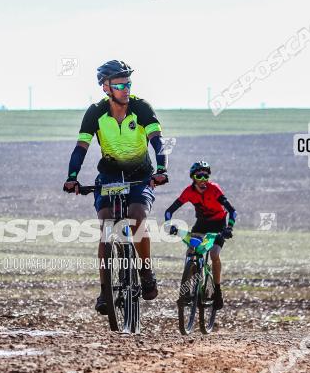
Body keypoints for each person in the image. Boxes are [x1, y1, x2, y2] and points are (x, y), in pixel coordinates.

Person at [63, 60, 169, 314]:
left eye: (128, 83)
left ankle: (145, 271)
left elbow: (158, 141)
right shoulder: (95, 113)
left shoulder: (141, 108)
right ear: (105, 88)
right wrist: (72, 176)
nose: (126, 89)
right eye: (120, 84)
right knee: (106, 226)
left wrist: (162, 169)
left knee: (136, 216)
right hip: (109, 177)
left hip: (140, 176)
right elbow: (81, 147)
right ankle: (104, 291)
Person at [163, 160, 237, 310]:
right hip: (202, 224)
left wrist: (229, 227)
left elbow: (232, 211)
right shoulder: (189, 192)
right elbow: (169, 211)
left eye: (206, 176)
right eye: (199, 176)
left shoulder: (214, 189)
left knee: (214, 254)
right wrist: (169, 224)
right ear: (193, 178)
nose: (203, 180)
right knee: (191, 250)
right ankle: (187, 291)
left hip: (219, 225)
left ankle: (217, 291)